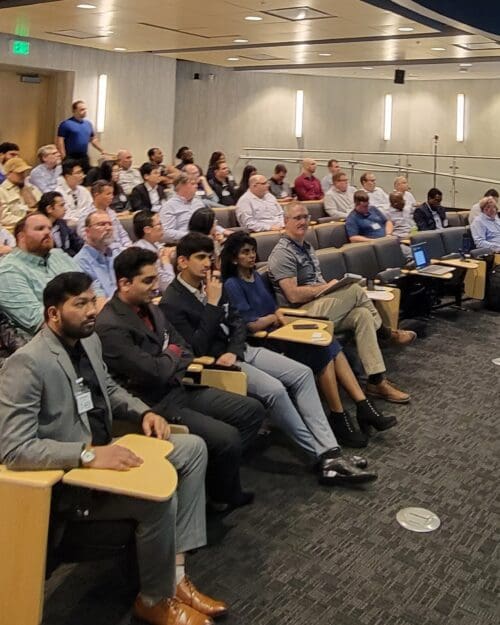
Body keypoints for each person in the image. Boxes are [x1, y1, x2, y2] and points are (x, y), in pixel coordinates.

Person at [0, 271, 226, 625]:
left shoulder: (88, 341)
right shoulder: (27, 364)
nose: (92, 310)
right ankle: (153, 599)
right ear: (52, 314)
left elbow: (108, 386)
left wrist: (144, 411)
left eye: (93, 300)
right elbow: (15, 450)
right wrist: (87, 454)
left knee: (193, 449)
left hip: (108, 449)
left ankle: (176, 577)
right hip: (71, 481)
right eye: (80, 304)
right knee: (158, 501)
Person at [161, 233, 377, 486]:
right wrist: (212, 304)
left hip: (239, 351)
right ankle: (324, 458)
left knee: (303, 373)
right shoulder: (172, 301)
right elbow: (195, 347)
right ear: (182, 262)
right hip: (214, 363)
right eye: (200, 258)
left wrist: (235, 347)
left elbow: (238, 322)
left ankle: (330, 449)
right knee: (275, 390)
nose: (207, 263)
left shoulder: (212, 283)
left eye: (210, 257)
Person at [96, 247, 265, 508]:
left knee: (252, 410)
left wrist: (169, 356)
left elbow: (184, 346)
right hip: (154, 403)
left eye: (155, 278)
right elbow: (152, 372)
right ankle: (218, 494)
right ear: (124, 283)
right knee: (227, 437)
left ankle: (213, 481)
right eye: (148, 281)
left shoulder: (151, 308)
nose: (155, 286)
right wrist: (171, 355)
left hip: (179, 386)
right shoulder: (110, 324)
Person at [221, 232, 397, 447]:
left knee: (327, 340)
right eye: (245, 252)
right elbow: (250, 325)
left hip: (283, 331)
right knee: (324, 348)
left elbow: (275, 309)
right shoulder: (232, 284)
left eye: (252, 251)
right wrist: (274, 317)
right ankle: (341, 414)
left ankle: (361, 406)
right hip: (266, 342)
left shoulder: (256, 277)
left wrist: (278, 316)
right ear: (233, 258)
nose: (251, 256)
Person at [267, 202, 414, 403]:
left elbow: (314, 285)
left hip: (319, 304)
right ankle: (387, 333)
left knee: (362, 315)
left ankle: (376, 382)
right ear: (285, 222)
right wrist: (326, 288)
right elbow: (293, 295)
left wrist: (327, 288)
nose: (303, 221)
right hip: (297, 315)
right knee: (354, 290)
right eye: (297, 218)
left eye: (305, 217)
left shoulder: (306, 247)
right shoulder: (283, 253)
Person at [0, 212, 78, 335]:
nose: (48, 232)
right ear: (21, 237)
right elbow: (39, 320)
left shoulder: (59, 255)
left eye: (49, 228)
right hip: (47, 343)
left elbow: (90, 288)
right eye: (40, 229)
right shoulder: (8, 271)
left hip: (83, 328)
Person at [75, 211, 120, 299]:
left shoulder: (116, 255)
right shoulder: (80, 263)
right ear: (87, 231)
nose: (108, 228)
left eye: (110, 224)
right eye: (101, 224)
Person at [77, 180, 131, 251]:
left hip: (121, 249)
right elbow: (88, 239)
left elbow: (122, 233)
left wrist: (128, 246)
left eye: (112, 194)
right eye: (108, 194)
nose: (112, 197)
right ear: (96, 195)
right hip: (103, 251)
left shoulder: (111, 212)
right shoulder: (85, 214)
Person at [56, 100, 105, 173]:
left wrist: (101, 149)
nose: (85, 111)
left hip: (83, 156)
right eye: (82, 109)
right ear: (74, 110)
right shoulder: (66, 124)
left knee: (85, 175)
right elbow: (60, 141)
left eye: (85, 109)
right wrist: (64, 157)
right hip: (70, 156)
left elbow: (93, 139)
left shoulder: (88, 124)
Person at [132, 210, 175, 292]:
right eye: (159, 224)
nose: (163, 227)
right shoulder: (144, 254)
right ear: (147, 229)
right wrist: (166, 262)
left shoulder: (154, 244)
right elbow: (168, 286)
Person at [160, 173, 206, 242]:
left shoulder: (198, 203)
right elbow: (165, 232)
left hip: (203, 239)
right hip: (182, 242)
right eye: (193, 184)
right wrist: (191, 236)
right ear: (181, 186)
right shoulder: (169, 206)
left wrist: (222, 231)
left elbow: (209, 222)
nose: (196, 186)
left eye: (197, 184)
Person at [38, 191, 83, 257]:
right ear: (49, 209)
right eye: (61, 205)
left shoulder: (62, 224)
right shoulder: (38, 228)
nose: (65, 209)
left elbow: (77, 243)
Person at [0, 157, 41, 226]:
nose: (23, 175)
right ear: (8, 174)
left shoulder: (31, 187)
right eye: (19, 173)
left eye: (24, 172)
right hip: (16, 228)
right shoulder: (2, 192)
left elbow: (41, 204)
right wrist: (28, 221)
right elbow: (4, 218)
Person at [55, 159, 93, 226]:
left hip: (87, 225)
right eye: (78, 173)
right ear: (67, 176)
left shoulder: (83, 190)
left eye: (82, 172)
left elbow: (91, 209)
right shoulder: (58, 194)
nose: (82, 175)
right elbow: (66, 217)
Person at [386, 191, 416, 258]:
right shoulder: (388, 214)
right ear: (395, 203)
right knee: (412, 254)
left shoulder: (406, 210)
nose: (404, 201)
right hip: (401, 241)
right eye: (402, 200)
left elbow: (413, 226)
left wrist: (414, 234)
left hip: (413, 237)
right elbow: (390, 234)